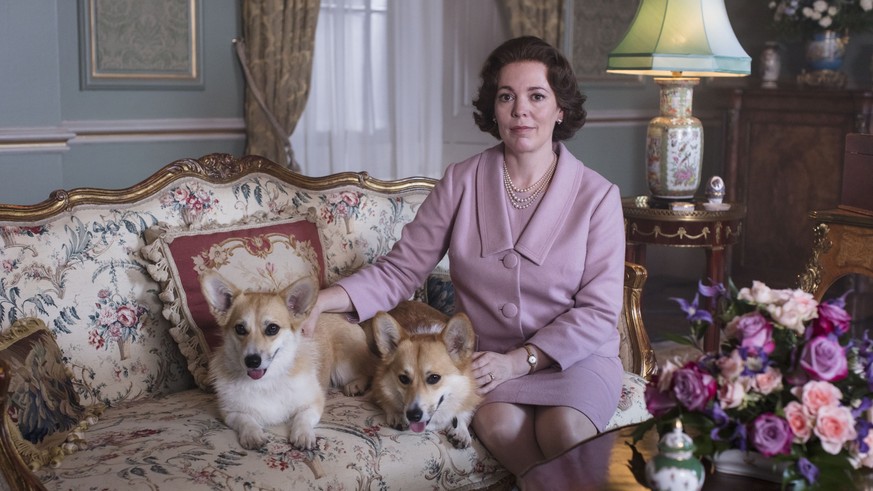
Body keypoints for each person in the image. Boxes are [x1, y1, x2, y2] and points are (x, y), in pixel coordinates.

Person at [301, 35, 625, 480]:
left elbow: (599, 312)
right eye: (506, 96)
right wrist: (323, 301)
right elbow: (401, 269)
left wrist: (522, 359)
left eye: (536, 96)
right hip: (490, 363)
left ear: (560, 109)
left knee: (563, 430)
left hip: (576, 360)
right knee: (498, 423)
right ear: (493, 109)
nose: (520, 110)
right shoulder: (461, 181)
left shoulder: (598, 197)